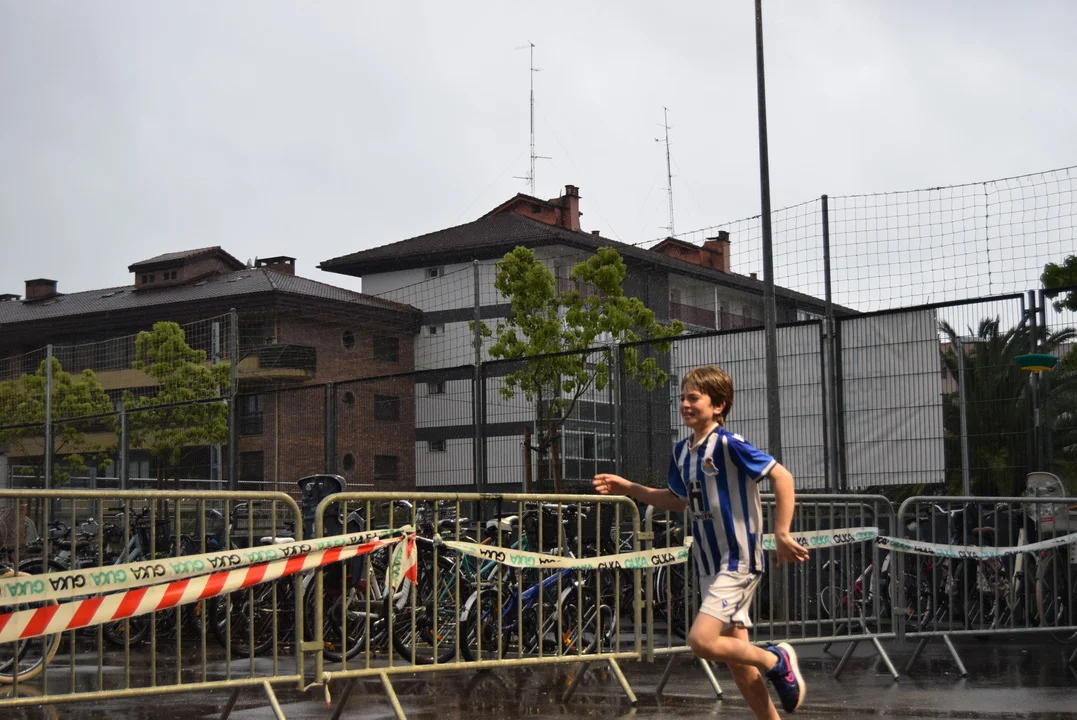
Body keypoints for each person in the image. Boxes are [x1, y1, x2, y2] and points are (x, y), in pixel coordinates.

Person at [593, 365, 809, 717]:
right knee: (738, 663)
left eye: (693, 397)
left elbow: (782, 477)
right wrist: (628, 487)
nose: (685, 404)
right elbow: (676, 500)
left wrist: (782, 532)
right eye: (682, 397)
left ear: (718, 405)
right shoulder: (682, 452)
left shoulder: (728, 444)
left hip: (738, 560)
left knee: (701, 641)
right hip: (709, 565)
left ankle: (776, 659)